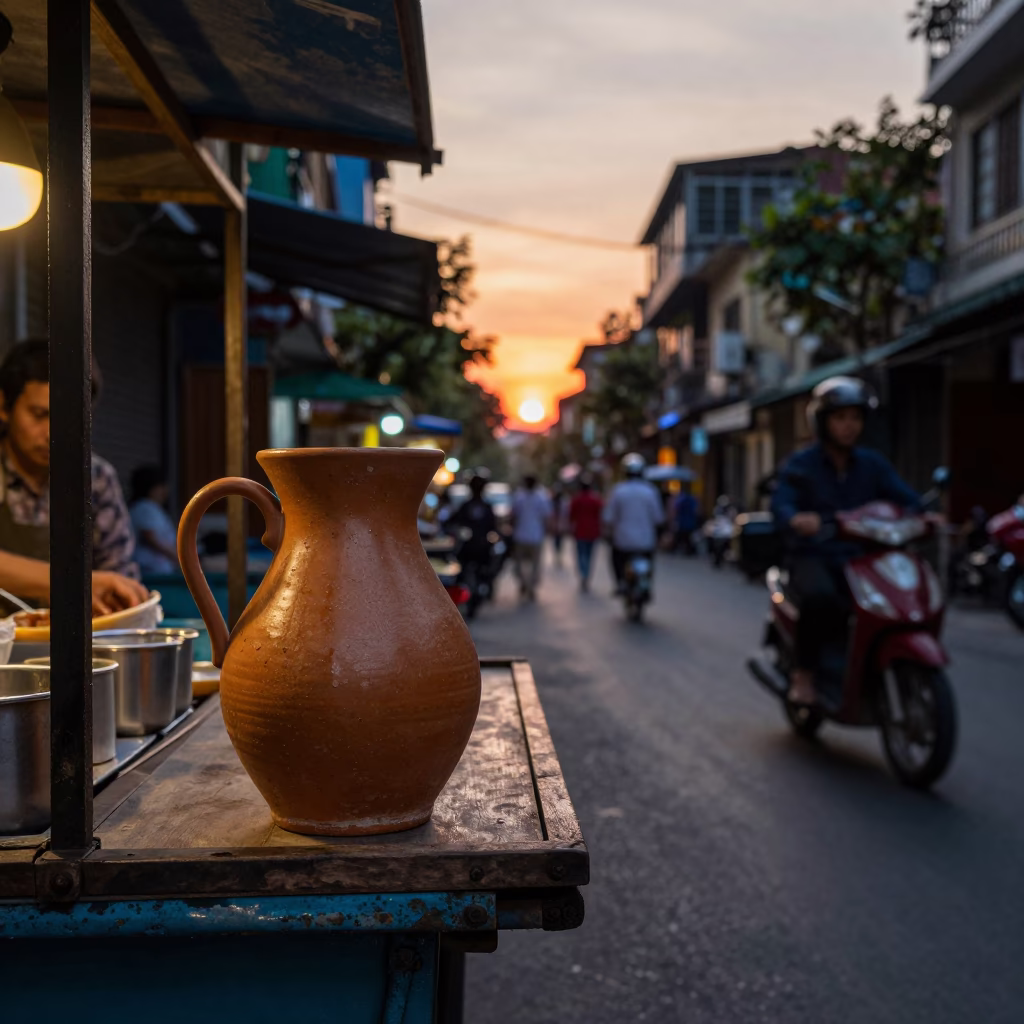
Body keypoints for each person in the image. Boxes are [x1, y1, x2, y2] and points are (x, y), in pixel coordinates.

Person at [771, 376, 922, 706]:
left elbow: (904, 497)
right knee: (822, 598)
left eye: (855, 418)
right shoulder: (801, 465)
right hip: (814, 555)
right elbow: (782, 502)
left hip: (861, 556)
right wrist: (795, 518)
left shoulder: (873, 465)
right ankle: (804, 675)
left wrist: (926, 514)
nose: (848, 426)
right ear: (823, 422)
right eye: (840, 418)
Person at [0, 338, 146, 615]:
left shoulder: (96, 479)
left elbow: (118, 575)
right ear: (4, 406)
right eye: (39, 414)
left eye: (67, 416)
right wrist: (70, 582)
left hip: (75, 651)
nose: (52, 432)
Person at [603, 453, 665, 594]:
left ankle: (620, 583)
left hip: (623, 541)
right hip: (645, 541)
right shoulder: (650, 491)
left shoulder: (618, 491)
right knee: (650, 560)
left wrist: (608, 532)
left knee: (615, 558)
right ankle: (647, 584)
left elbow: (608, 517)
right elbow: (658, 518)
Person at [129, 465, 179, 575]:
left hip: (158, 569)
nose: (166, 490)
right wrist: (177, 557)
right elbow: (151, 538)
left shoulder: (152, 507)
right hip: (151, 571)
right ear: (152, 488)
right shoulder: (144, 507)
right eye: (162, 486)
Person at [510, 474, 552, 601]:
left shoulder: (521, 497)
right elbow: (547, 516)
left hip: (524, 536)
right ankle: (529, 586)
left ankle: (527, 585)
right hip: (532, 536)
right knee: (532, 565)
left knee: (522, 565)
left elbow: (513, 515)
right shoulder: (540, 497)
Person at [569, 476, 603, 592]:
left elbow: (571, 516)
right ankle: (586, 575)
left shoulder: (577, 499)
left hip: (580, 532)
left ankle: (584, 575)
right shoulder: (596, 499)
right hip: (592, 532)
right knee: (589, 556)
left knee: (581, 555)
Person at [672, 484, 698, 555]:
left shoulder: (681, 500)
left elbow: (676, 509)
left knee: (682, 536)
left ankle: (680, 549)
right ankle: (688, 550)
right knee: (687, 537)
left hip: (683, 521)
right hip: (689, 521)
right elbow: (696, 511)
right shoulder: (692, 499)